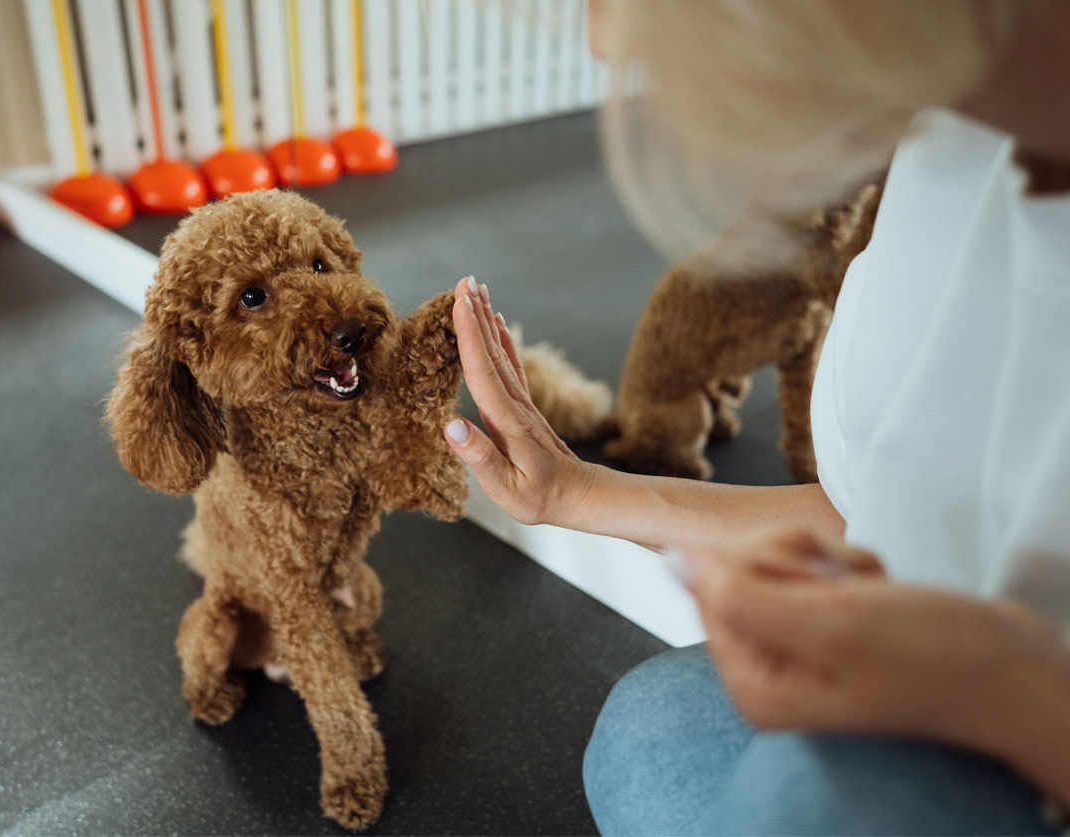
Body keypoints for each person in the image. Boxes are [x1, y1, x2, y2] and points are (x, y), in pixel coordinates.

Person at [442, 1, 1070, 833]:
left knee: (802, 800)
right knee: (652, 728)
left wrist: (1000, 689)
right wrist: (574, 492)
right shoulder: (942, 158)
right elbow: (874, 516)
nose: (604, 40)